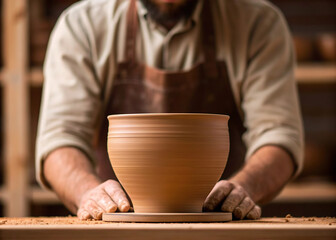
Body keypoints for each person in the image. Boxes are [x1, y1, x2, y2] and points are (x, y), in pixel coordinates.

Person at [36, 0, 304, 220]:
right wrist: (87, 193)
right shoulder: (82, 26)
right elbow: (61, 138)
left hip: (219, 225)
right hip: (119, 224)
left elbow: (279, 135)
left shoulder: (258, 24)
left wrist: (245, 187)